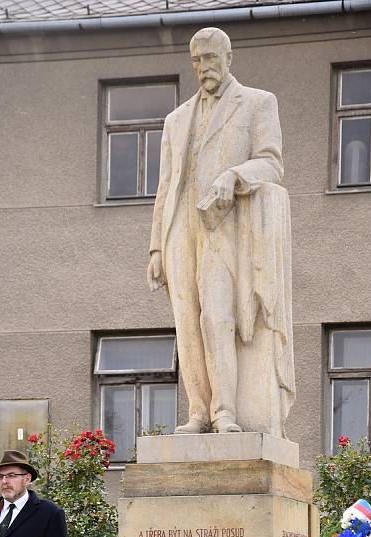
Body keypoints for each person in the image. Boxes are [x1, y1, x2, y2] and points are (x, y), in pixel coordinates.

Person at [147, 27, 295, 437]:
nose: (203, 67)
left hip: (225, 228)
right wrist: (156, 248)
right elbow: (165, 187)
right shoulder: (176, 120)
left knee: (217, 317)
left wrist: (235, 175)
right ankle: (198, 412)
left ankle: (225, 411)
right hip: (181, 231)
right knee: (186, 323)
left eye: (210, 58)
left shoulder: (258, 103)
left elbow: (271, 163)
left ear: (229, 56)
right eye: (196, 60)